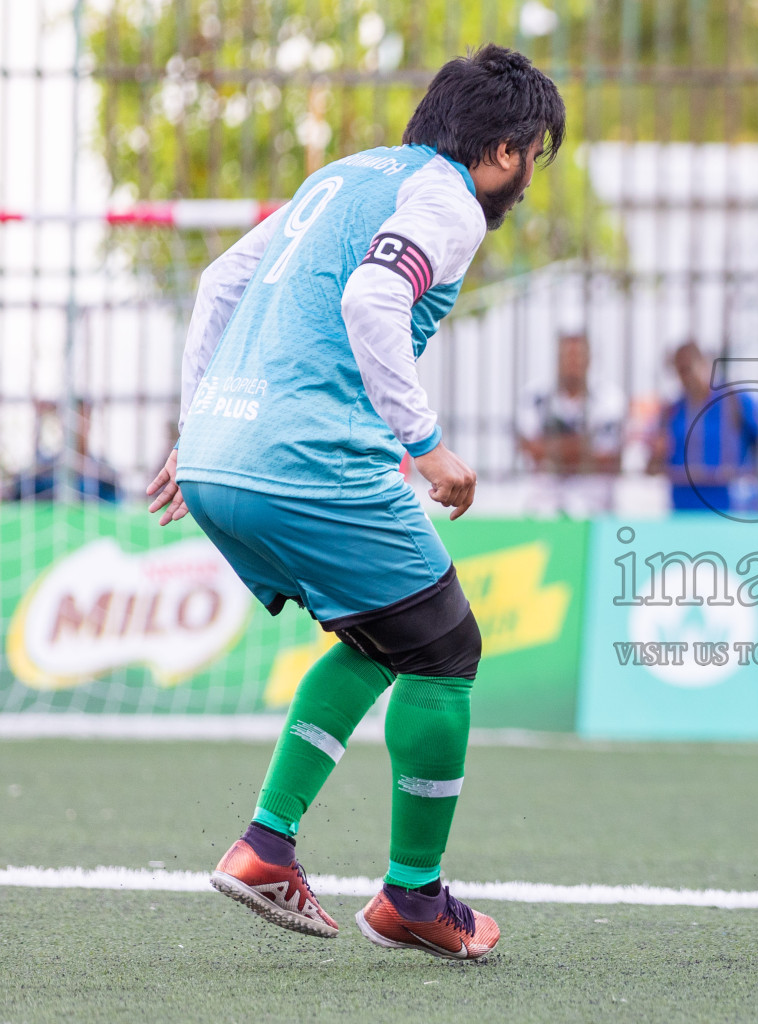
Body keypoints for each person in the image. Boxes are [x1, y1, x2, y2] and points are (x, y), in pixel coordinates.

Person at [145, 45, 565, 961]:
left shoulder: (342, 176)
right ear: (507, 148)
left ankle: (266, 846)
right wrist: (427, 445)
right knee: (448, 647)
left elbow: (219, 283)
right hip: (305, 458)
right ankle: (413, 896)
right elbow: (375, 299)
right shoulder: (450, 201)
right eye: (537, 155)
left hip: (219, 450)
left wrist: (195, 430)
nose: (530, 177)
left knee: (384, 636)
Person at [516, 331, 627, 516]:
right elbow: (531, 450)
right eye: (567, 356)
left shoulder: (609, 398)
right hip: (545, 503)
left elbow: (609, 457)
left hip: (594, 503)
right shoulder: (535, 395)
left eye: (578, 356)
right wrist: (583, 446)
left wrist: (551, 448)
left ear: (589, 359)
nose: (572, 362)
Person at [649, 341, 758, 514]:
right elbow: (653, 467)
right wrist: (658, 455)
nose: (685, 377)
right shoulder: (672, 412)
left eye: (689, 368)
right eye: (680, 371)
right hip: (684, 511)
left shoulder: (735, 403)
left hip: (730, 509)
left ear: (704, 364)